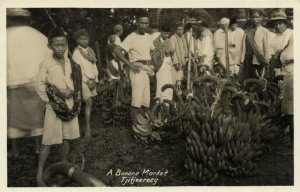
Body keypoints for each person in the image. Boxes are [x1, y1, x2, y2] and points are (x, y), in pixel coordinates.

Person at [36, 27, 82, 186]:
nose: (61, 48)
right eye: (57, 45)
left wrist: (72, 92)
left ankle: (63, 168)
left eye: (63, 44)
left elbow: (76, 83)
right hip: (53, 107)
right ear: (50, 46)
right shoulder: (46, 64)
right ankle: (39, 174)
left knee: (67, 138)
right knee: (47, 141)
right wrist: (57, 93)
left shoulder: (72, 63)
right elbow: (41, 86)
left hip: (69, 107)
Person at [7, 8, 51, 158]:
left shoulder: (5, 35)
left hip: (14, 82)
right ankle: (37, 148)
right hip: (35, 82)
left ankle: (15, 150)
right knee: (36, 117)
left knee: (13, 118)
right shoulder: (39, 36)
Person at [111, 10, 155, 128]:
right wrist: (129, 64)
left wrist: (151, 65)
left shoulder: (148, 37)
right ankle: (135, 127)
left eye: (146, 23)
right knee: (136, 100)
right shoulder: (131, 37)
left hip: (146, 69)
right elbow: (116, 51)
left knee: (146, 100)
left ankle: (144, 125)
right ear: (137, 23)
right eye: (141, 23)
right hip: (136, 69)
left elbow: (151, 50)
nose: (144, 26)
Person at [269, 11, 293, 151]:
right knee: (282, 100)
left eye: (281, 23)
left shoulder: (292, 34)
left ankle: (291, 138)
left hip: (293, 71)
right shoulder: (275, 38)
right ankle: (283, 133)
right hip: (281, 72)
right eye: (276, 23)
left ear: (286, 23)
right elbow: (273, 56)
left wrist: (285, 59)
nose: (278, 26)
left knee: (291, 106)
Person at [72, 29, 99, 139]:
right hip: (83, 81)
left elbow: (93, 66)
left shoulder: (90, 51)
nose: (84, 41)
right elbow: (78, 70)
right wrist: (87, 81)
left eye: (86, 38)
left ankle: (87, 128)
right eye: (82, 39)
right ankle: (87, 130)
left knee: (89, 103)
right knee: (88, 102)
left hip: (92, 80)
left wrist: (94, 79)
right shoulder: (76, 53)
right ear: (77, 40)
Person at [240, 9, 272, 81]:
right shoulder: (247, 31)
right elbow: (243, 48)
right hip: (247, 60)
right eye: (253, 17)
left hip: (258, 61)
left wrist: (265, 62)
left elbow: (267, 48)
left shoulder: (264, 32)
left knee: (258, 82)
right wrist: (241, 61)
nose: (255, 19)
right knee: (246, 81)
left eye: (257, 17)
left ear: (261, 18)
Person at [151, 25, 177, 100]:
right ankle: (159, 101)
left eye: (168, 34)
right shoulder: (156, 41)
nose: (166, 35)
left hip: (168, 64)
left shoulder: (168, 41)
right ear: (161, 32)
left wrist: (170, 53)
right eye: (165, 33)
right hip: (159, 64)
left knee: (168, 82)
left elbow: (172, 51)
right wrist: (163, 51)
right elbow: (154, 53)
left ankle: (168, 101)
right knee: (160, 82)